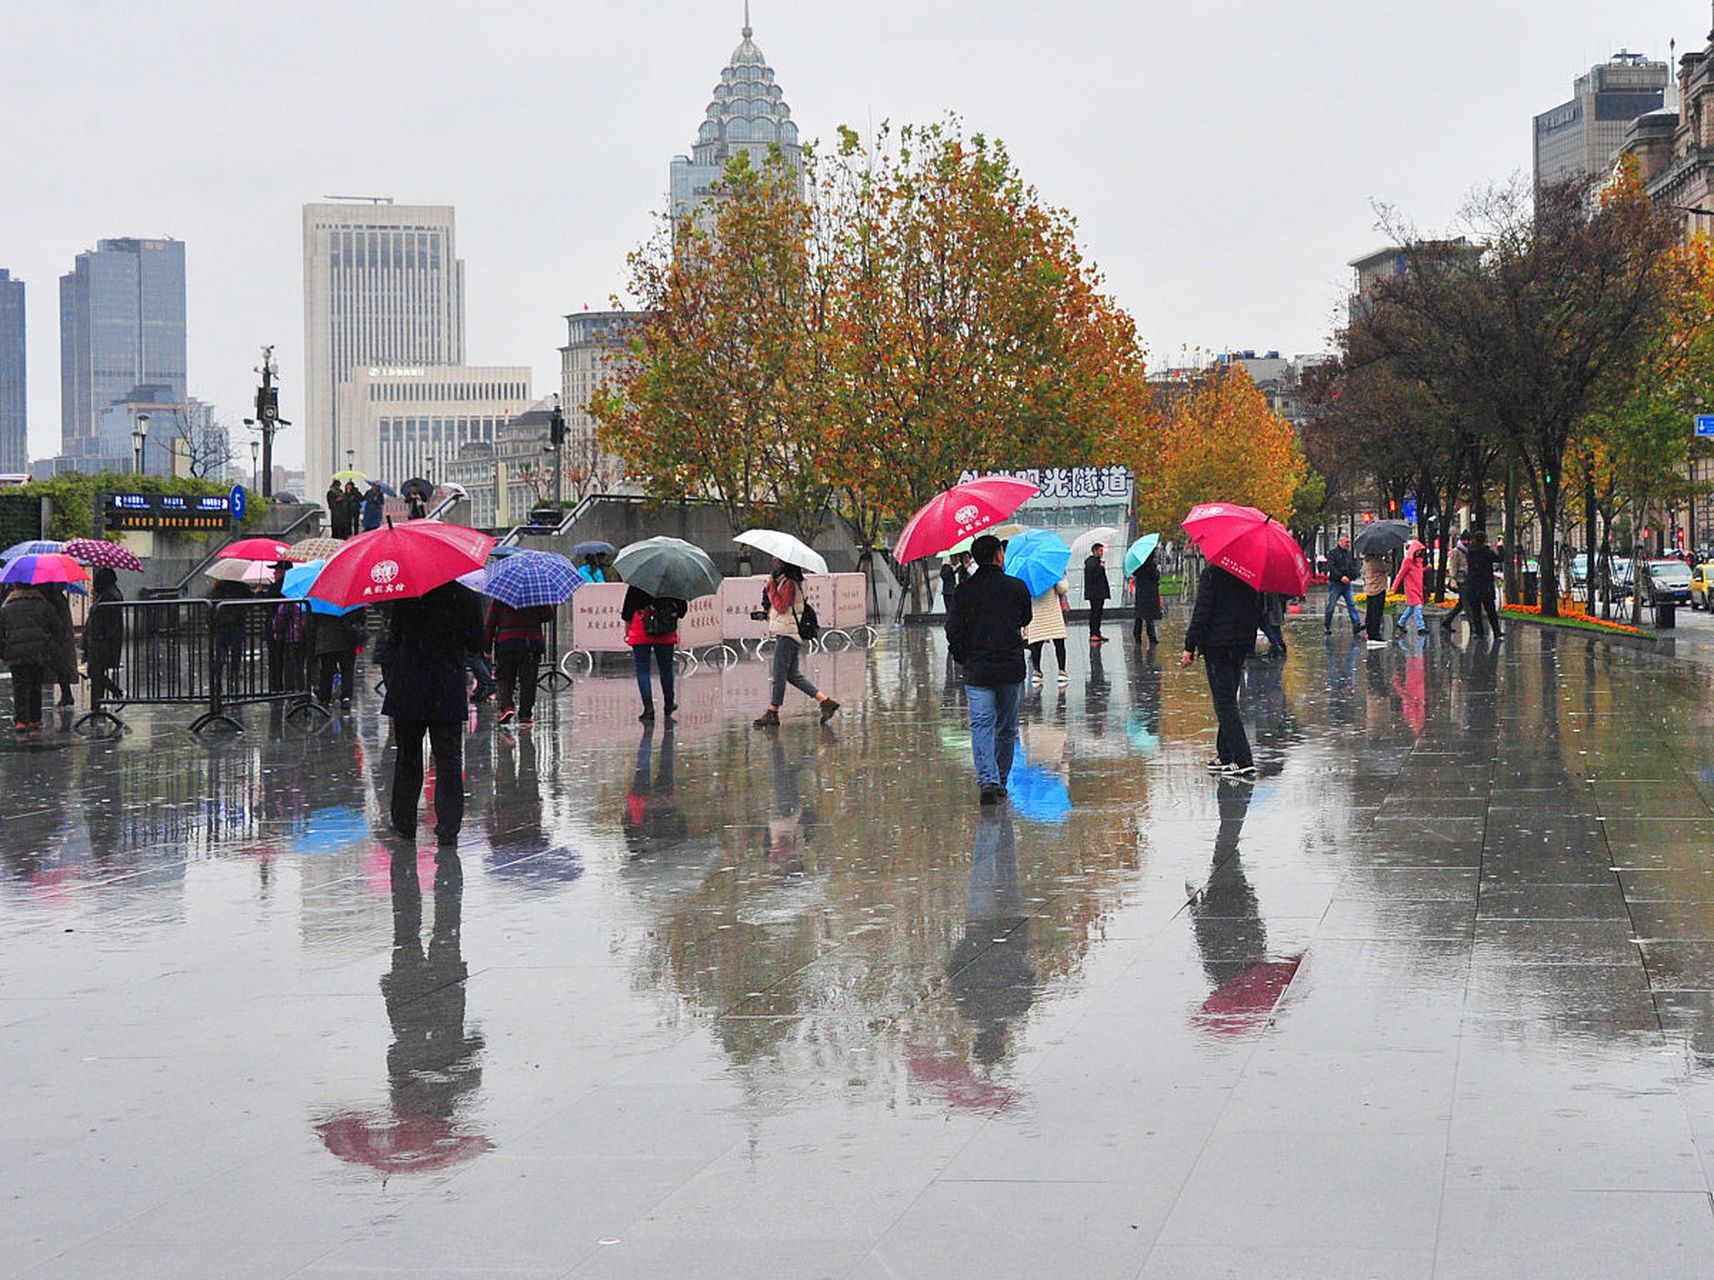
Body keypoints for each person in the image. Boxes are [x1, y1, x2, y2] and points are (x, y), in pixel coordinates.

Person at [383, 581, 484, 846]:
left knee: (407, 757)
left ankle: (404, 823)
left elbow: (395, 637)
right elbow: (476, 643)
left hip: (409, 684)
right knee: (449, 759)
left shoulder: (406, 596)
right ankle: (449, 828)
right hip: (446, 685)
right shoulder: (467, 599)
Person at [947, 534, 1033, 805]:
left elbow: (953, 631)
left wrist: (964, 657)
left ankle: (988, 780)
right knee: (1006, 728)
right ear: (998, 555)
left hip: (978, 670)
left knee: (982, 725)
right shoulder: (1016, 587)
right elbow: (1025, 617)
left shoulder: (964, 591)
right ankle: (1001, 781)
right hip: (1010, 668)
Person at [1182, 559, 1263, 777]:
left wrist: (1189, 646)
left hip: (1217, 644)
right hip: (1240, 643)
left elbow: (1202, 610)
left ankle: (1243, 759)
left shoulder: (1213, 572)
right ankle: (1225, 754)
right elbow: (1257, 607)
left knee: (1224, 702)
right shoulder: (1249, 570)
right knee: (1228, 699)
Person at [753, 560, 839, 727]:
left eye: (777, 559)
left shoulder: (790, 583)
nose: (773, 561)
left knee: (779, 674)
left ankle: (773, 712)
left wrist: (771, 588)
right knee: (792, 674)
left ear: (785, 563)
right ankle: (825, 702)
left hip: (788, 634)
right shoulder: (786, 580)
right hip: (787, 631)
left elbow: (781, 606)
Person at [0, 583, 65, 731]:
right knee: (36, 684)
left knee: (20, 686)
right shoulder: (44, 606)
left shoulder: (7, 608)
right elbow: (57, 628)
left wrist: (3, 653)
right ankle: (36, 718)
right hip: (39, 652)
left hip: (16, 653)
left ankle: (22, 720)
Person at [621, 583, 685, 722]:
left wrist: (627, 629)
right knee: (666, 668)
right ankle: (669, 703)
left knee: (642, 670)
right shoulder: (673, 583)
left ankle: (648, 709)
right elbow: (682, 611)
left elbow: (627, 611)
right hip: (665, 630)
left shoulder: (638, 582)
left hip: (640, 627)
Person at [486, 598, 553, 727]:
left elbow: (490, 623)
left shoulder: (501, 596)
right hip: (531, 643)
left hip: (506, 642)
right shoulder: (537, 594)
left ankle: (507, 707)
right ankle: (525, 716)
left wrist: (487, 647)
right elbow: (548, 616)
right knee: (528, 680)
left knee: (505, 677)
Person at [311, 606, 367, 709]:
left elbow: (313, 620)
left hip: (327, 639)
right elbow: (361, 616)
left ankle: (325, 698)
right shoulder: (351, 598)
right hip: (348, 638)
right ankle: (346, 697)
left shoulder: (321, 600)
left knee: (327, 670)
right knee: (347, 670)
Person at [83, 567, 125, 704]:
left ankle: (115, 693)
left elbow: (103, 620)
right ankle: (99, 702)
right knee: (96, 672)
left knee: (94, 672)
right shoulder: (109, 593)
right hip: (102, 641)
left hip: (102, 641)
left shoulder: (109, 596)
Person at [1025, 578, 1071, 685]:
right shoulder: (1050, 575)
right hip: (1052, 612)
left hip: (1036, 614)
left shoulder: (1028, 578)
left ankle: (1037, 672)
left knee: (1036, 644)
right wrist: (1060, 579)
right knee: (1059, 643)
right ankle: (1062, 671)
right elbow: (1062, 589)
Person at [1463, 529, 1504, 639]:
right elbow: (1500, 558)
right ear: (1485, 540)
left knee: (1476, 612)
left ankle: (1479, 633)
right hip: (1485, 586)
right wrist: (1500, 547)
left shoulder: (1469, 552)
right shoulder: (1487, 552)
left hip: (1473, 585)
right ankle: (1497, 632)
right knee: (1491, 611)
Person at [42, 583, 77, 706]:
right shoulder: (58, 597)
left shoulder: (52, 599)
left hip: (54, 638)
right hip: (59, 639)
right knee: (61, 667)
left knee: (58, 667)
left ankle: (66, 695)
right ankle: (66, 694)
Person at [1324, 533, 1361, 636]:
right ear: (1339, 542)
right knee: (1331, 605)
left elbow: (1351, 566)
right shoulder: (1332, 553)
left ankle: (1356, 624)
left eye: (1349, 542)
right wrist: (1341, 576)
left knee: (1351, 604)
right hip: (1336, 583)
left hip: (1346, 583)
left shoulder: (1348, 553)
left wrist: (1352, 575)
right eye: (1346, 542)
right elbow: (1332, 567)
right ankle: (1326, 626)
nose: (1348, 544)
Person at [1391, 539, 1429, 637]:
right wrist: (1393, 588)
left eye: (1420, 551)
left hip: (1418, 588)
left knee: (1412, 608)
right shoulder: (1407, 561)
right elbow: (1400, 575)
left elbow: (1418, 572)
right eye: (1418, 550)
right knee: (1418, 607)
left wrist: (1426, 569)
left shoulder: (1419, 561)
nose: (1419, 552)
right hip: (1411, 589)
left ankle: (1400, 623)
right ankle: (1421, 627)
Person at [1131, 548, 1163, 646]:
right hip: (1150, 594)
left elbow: (1135, 573)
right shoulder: (1150, 566)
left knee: (1139, 615)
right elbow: (1155, 577)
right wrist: (1156, 568)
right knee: (1149, 616)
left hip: (1141, 593)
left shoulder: (1139, 566)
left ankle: (1137, 634)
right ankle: (1151, 636)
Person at [1441, 531, 1471, 632]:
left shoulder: (1468, 550)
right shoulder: (1456, 551)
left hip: (1466, 579)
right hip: (1460, 580)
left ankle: (1447, 621)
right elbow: (1453, 566)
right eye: (1466, 540)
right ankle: (1473, 626)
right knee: (1466, 603)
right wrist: (1453, 579)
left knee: (1462, 604)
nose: (1468, 542)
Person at [1084, 543, 1111, 643]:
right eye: (1100, 550)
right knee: (1095, 613)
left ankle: (1097, 633)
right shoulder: (1091, 562)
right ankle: (1093, 633)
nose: (1102, 553)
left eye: (1102, 551)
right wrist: (1100, 568)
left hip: (1099, 593)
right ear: (1095, 551)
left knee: (1098, 613)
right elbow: (1092, 577)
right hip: (1095, 593)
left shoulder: (1097, 562)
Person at [1362, 550, 1390, 647]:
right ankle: (1374, 635)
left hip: (1370, 588)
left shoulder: (1367, 560)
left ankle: (1370, 633)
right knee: (1376, 612)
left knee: (1370, 612)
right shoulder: (1375, 561)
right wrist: (1387, 558)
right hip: (1378, 588)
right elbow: (1387, 568)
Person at [1258, 592, 1287, 657]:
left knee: (1265, 625)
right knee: (1275, 626)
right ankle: (1280, 645)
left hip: (1270, 605)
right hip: (1276, 604)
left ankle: (1276, 646)